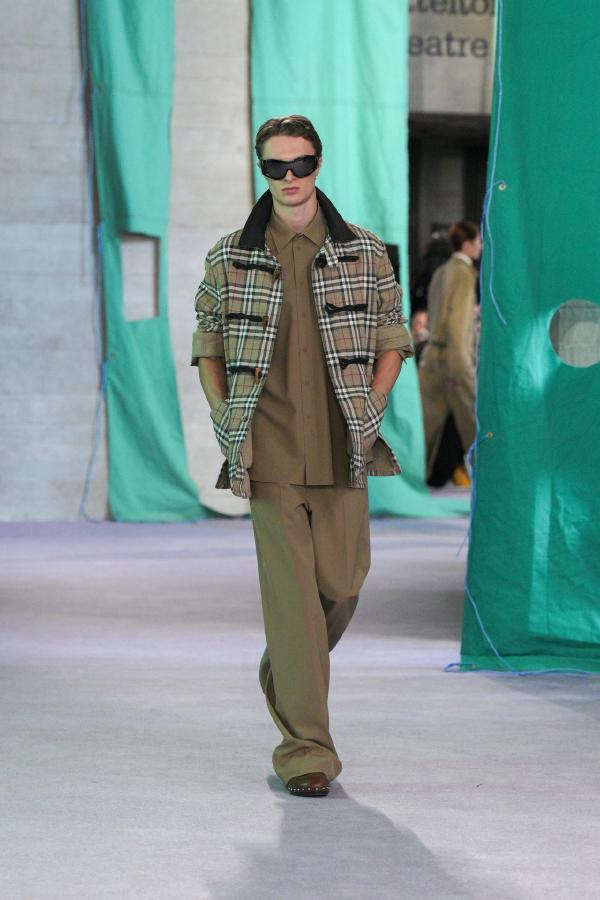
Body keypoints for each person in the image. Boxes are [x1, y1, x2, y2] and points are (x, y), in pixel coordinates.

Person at [192, 115, 413, 797]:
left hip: (345, 443)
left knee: (342, 586)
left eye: (301, 164)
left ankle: (286, 671)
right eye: (275, 167)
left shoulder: (365, 250)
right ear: (261, 169)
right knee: (292, 606)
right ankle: (307, 753)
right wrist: (226, 416)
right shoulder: (230, 256)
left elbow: (393, 336)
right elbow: (209, 345)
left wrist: (374, 402)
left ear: (320, 163)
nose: (289, 178)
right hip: (269, 452)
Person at [418, 220, 481, 482]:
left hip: (431, 356)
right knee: (474, 426)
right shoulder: (464, 275)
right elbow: (458, 325)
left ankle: (412, 479)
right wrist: (463, 367)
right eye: (478, 241)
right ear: (467, 244)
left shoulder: (441, 271)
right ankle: (492, 481)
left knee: (425, 429)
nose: (480, 247)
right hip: (454, 358)